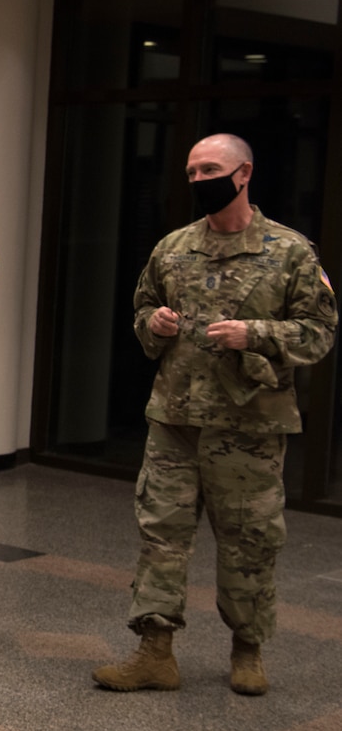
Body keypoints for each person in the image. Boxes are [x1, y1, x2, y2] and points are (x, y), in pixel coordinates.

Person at [93, 133, 336, 696]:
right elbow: (142, 307)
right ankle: (155, 652)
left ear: (244, 172)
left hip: (249, 426)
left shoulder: (290, 251)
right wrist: (151, 324)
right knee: (160, 535)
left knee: (249, 540)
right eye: (191, 172)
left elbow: (320, 333)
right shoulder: (173, 247)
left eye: (210, 170)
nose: (200, 180)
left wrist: (257, 334)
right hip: (175, 420)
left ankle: (247, 651)